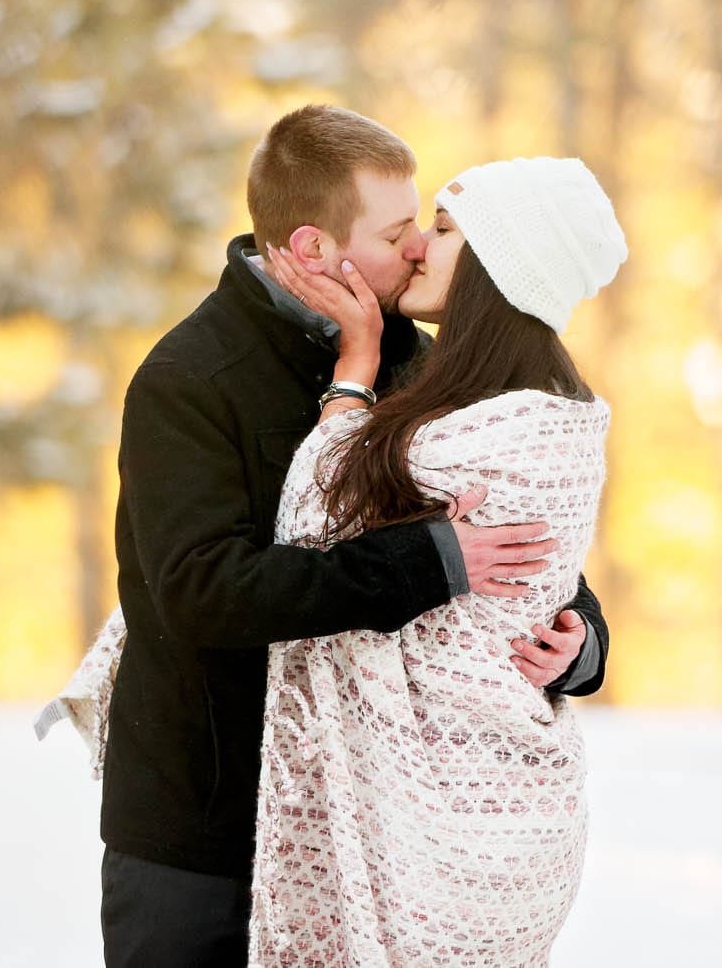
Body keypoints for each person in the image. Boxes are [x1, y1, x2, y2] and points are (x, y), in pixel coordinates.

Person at [37, 107, 611, 968]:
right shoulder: (189, 380)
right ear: (312, 248)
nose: (420, 247)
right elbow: (204, 590)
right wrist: (427, 562)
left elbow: (514, 547)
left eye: (424, 224)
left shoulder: (419, 364)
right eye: (396, 232)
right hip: (207, 832)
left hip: (361, 834)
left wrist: (579, 644)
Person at [250, 155, 625, 967]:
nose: (419, 244)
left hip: (445, 828)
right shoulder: (539, 407)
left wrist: (354, 370)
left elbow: (309, 520)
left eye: (448, 231)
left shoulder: (481, 434)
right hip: (514, 818)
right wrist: (580, 644)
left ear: (499, 266)